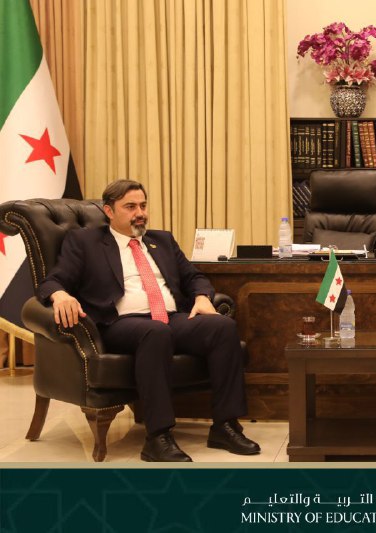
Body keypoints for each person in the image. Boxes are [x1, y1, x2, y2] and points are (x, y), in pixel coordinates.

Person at [38, 179, 260, 462]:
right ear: (109, 211)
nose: (140, 213)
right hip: (120, 324)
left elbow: (194, 277)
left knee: (222, 327)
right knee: (155, 332)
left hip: (170, 318)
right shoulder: (85, 242)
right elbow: (53, 280)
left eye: (143, 206)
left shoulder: (162, 240)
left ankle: (225, 426)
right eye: (130, 207)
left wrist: (202, 297)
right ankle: (158, 437)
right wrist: (59, 295)